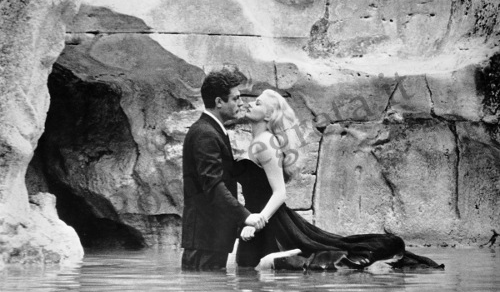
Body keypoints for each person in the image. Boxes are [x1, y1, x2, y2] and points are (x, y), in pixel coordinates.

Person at [234, 89, 444, 270]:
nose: (249, 103)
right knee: (249, 269)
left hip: (267, 221)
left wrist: (258, 222)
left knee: (280, 263)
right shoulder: (257, 141)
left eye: (257, 102)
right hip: (258, 218)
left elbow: (280, 193)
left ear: (269, 115)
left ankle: (370, 263)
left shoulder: (267, 143)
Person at [181, 69, 267, 270]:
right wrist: (246, 216)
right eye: (236, 98)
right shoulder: (206, 134)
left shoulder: (213, 130)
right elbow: (213, 185)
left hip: (210, 238)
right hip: (205, 239)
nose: (241, 103)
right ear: (219, 102)